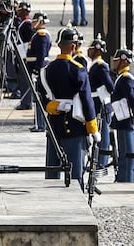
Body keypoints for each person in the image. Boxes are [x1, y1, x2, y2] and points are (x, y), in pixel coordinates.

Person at [39, 27, 99, 182]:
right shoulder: (78, 70)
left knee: (52, 172)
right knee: (75, 173)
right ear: (73, 46)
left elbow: (41, 95)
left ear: (59, 45)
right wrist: (92, 127)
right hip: (74, 125)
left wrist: (51, 106)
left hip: (54, 124)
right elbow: (86, 99)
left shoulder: (47, 70)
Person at [110, 47, 134, 183]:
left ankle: (127, 178)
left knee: (127, 152)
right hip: (122, 119)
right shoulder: (122, 77)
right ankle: (122, 177)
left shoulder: (126, 78)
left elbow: (131, 98)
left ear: (123, 61)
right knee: (123, 151)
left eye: (116, 60)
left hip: (126, 120)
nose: (114, 63)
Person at [86, 36, 115, 170]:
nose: (88, 51)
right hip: (97, 102)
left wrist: (101, 92)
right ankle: (98, 159)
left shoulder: (100, 66)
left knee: (103, 134)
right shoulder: (95, 65)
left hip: (101, 103)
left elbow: (110, 86)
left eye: (91, 49)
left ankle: (102, 161)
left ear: (96, 51)